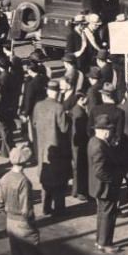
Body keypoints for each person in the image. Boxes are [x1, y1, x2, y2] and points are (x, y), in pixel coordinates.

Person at [0, 144, 66, 255]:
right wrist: (32, 225)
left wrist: (9, 215)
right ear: (26, 163)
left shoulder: (5, 178)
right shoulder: (24, 182)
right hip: (24, 226)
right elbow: (27, 210)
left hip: (10, 224)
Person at [34, 80, 73, 215]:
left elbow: (34, 123)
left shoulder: (38, 106)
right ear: (58, 93)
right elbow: (64, 128)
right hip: (58, 149)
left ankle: (45, 207)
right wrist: (69, 117)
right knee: (59, 181)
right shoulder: (59, 107)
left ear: (47, 91)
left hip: (43, 148)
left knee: (46, 179)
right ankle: (59, 209)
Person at [90, 113, 123, 253]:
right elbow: (100, 171)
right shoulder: (100, 146)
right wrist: (113, 180)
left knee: (102, 213)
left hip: (98, 186)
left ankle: (100, 240)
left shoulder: (94, 142)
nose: (111, 133)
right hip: (105, 187)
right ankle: (105, 243)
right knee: (108, 215)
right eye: (110, 130)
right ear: (104, 131)